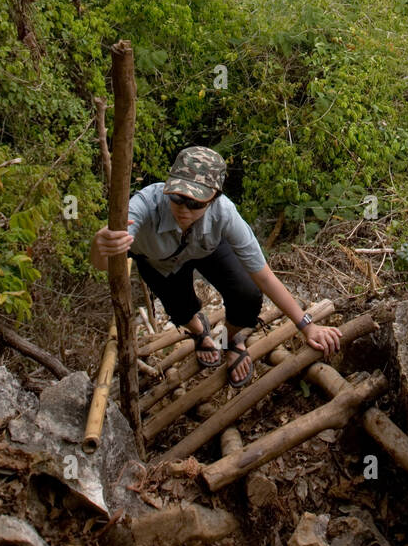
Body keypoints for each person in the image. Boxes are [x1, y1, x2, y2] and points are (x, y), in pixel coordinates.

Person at [90, 146, 341, 386]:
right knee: (180, 309)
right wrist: (101, 245)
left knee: (248, 294)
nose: (184, 209)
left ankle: (230, 340)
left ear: (214, 197)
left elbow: (264, 276)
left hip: (206, 248)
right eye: (178, 197)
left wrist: (307, 326)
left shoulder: (224, 213)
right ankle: (201, 333)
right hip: (159, 262)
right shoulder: (144, 204)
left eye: (196, 202)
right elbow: (103, 265)